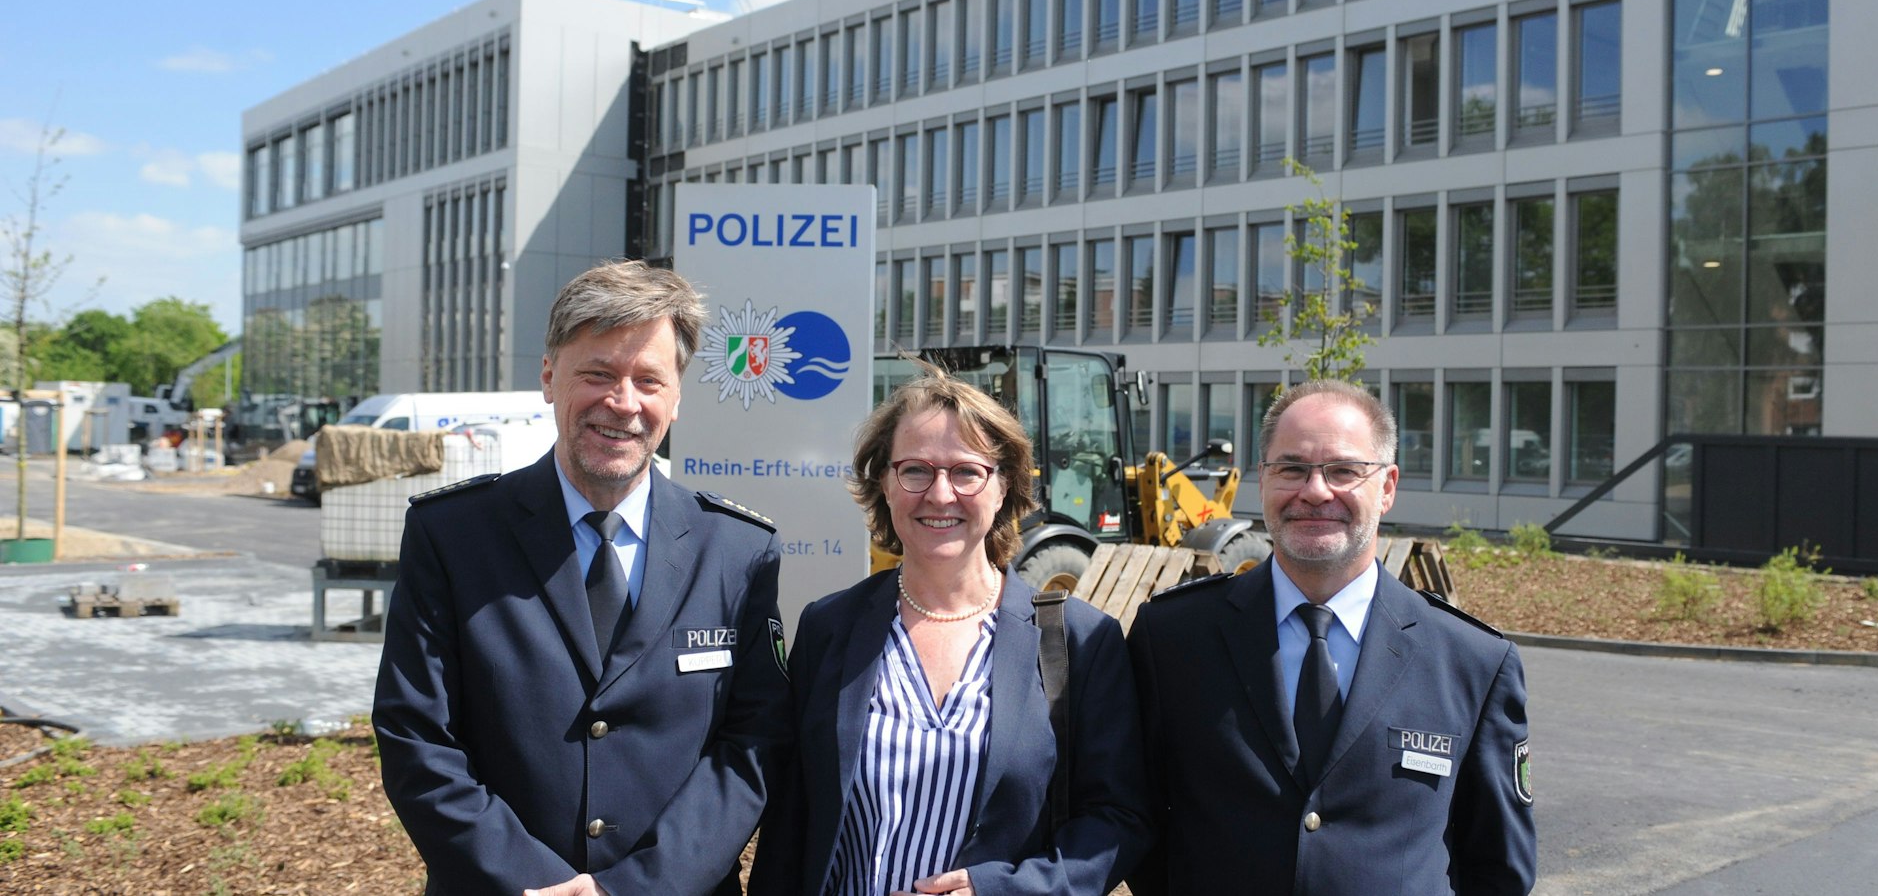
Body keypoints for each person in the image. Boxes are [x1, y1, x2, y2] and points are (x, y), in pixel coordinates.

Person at [374, 260, 791, 896]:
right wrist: (530, 881)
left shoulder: (737, 550)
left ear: (676, 398)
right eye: (597, 374)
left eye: (648, 380)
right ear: (549, 377)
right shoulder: (453, 537)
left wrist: (637, 887)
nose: (622, 403)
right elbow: (416, 736)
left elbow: (752, 745)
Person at [748, 369, 1150, 896]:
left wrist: (1004, 889)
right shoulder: (830, 628)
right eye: (915, 470)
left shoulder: (1077, 641)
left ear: (1004, 485)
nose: (940, 494)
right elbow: (791, 817)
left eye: (967, 472)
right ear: (884, 484)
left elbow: (1119, 817)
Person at [1126, 379, 1534, 895]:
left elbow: (1500, 868)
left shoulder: (1472, 661)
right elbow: (1133, 817)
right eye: (1291, 468)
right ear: (1263, 481)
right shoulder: (1172, 638)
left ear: (1387, 487)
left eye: (1343, 470)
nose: (1315, 490)